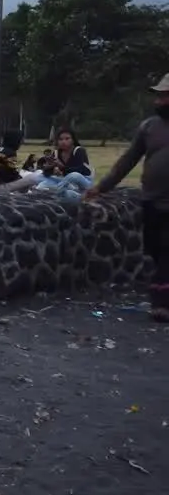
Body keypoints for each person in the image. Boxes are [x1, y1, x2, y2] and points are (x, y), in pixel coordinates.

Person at [85, 74, 169, 322]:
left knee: (167, 250)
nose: (161, 100)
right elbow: (128, 161)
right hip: (152, 201)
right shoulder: (149, 127)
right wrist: (101, 187)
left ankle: (161, 303)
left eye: (166, 96)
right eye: (160, 96)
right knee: (155, 249)